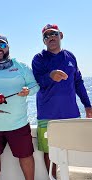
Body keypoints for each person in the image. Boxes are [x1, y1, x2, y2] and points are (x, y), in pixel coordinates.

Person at [0, 35, 39, 180]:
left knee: (26, 155)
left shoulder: (21, 66)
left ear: (8, 47)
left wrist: (28, 91)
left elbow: (34, 85)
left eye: (2, 45)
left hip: (18, 123)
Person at [32, 24, 92, 178]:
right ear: (43, 41)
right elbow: (39, 81)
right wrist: (50, 75)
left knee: (73, 150)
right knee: (49, 153)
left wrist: (87, 105)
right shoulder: (38, 59)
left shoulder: (71, 57)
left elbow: (78, 82)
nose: (50, 37)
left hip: (71, 115)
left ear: (61, 35)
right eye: (46, 36)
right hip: (47, 116)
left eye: (53, 34)